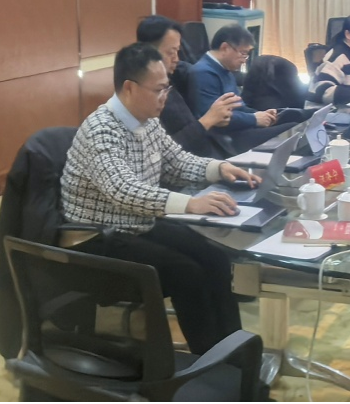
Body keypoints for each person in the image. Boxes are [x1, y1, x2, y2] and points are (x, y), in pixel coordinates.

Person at [60, 43, 260, 355]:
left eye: (167, 87)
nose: (164, 96)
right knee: (187, 272)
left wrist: (218, 169)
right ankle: (209, 361)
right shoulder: (101, 130)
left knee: (216, 259)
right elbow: (122, 189)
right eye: (158, 90)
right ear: (129, 88)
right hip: (97, 236)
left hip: (135, 223)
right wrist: (189, 204)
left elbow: (176, 161)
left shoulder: (147, 120)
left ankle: (235, 352)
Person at [136, 16, 240, 158]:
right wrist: (208, 120)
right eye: (171, 52)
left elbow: (197, 72)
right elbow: (165, 153)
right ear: (148, 52)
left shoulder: (177, 73)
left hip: (212, 152)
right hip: (190, 163)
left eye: (177, 51)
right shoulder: (145, 97)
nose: (176, 58)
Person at [188, 24, 298, 153]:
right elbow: (216, 119)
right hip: (224, 138)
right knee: (293, 131)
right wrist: (255, 119)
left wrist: (261, 114)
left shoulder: (224, 69)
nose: (244, 60)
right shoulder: (203, 73)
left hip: (240, 128)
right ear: (225, 48)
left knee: (293, 120)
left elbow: (239, 106)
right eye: (243, 53)